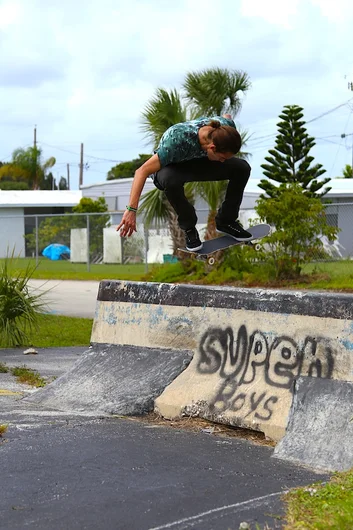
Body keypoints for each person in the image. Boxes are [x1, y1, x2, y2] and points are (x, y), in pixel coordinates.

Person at [117, 114, 252, 251]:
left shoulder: (225, 128)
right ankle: (189, 229)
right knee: (170, 179)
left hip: (197, 162)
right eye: (222, 158)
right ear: (212, 147)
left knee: (242, 168)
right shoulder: (177, 140)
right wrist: (131, 210)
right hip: (171, 167)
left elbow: (227, 116)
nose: (223, 161)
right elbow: (141, 171)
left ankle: (226, 221)